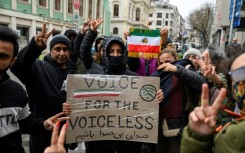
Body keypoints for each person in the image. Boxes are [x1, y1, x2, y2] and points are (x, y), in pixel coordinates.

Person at [0, 26, 69, 153]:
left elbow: (26, 124)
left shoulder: (72, 73)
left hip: (62, 133)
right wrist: (35, 47)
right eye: (57, 49)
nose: (61, 53)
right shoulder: (38, 67)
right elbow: (20, 66)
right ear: (50, 51)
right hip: (40, 139)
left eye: (65, 49)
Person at [181, 52, 245, 153]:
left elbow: (221, 82)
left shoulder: (233, 134)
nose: (202, 62)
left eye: (204, 58)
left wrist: (214, 78)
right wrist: (198, 137)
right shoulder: (228, 137)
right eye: (236, 76)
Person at [152, 47, 206, 153]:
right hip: (158, 126)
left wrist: (177, 69)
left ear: (176, 59)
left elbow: (200, 83)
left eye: (168, 62)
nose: (164, 65)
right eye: (161, 62)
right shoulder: (157, 74)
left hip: (178, 126)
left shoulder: (184, 68)